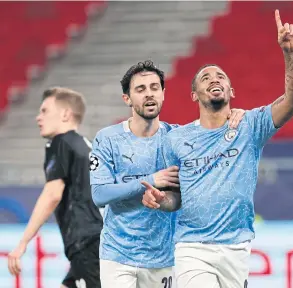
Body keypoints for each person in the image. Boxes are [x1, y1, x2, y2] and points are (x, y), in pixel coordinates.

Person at [141, 10, 293, 288]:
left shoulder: (250, 125)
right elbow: (175, 198)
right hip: (192, 246)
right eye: (205, 78)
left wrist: (289, 53)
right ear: (194, 94)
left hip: (236, 247)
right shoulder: (177, 139)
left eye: (220, 77)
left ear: (231, 90)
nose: (214, 79)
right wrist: (159, 200)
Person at [89, 60, 245, 288]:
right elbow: (100, 195)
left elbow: (213, 137)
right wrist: (151, 181)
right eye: (140, 90)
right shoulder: (108, 138)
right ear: (127, 99)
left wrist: (233, 114)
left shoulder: (179, 139)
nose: (149, 94)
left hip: (163, 257)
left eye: (154, 88)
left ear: (163, 93)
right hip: (118, 255)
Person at [8, 87, 103, 288]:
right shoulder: (85, 145)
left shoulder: (60, 142)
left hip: (85, 243)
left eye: (44, 111)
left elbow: (52, 194)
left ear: (65, 114)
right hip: (96, 240)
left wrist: (23, 243)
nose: (38, 118)